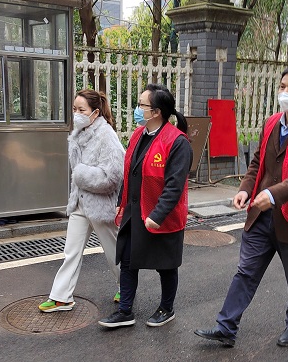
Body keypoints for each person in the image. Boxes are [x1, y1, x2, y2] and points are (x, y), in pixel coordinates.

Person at [194, 65, 288, 347]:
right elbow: (258, 162)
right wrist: (245, 189)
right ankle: (226, 327)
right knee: (246, 272)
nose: (285, 92)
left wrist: (272, 194)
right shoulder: (271, 123)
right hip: (260, 215)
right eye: (282, 86)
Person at [98, 84, 193, 328]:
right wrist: (121, 204)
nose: (137, 109)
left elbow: (175, 186)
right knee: (128, 261)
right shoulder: (138, 135)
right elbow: (129, 173)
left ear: (157, 112)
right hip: (135, 211)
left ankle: (167, 308)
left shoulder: (177, 142)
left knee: (166, 265)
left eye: (142, 105)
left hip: (161, 216)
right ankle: (125, 311)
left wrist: (157, 215)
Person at [39, 89, 125, 313]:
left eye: (81, 110)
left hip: (100, 206)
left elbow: (114, 175)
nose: (76, 114)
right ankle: (61, 297)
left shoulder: (106, 135)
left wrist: (82, 175)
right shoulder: (78, 133)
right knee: (71, 251)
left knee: (114, 252)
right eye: (74, 109)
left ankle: (126, 287)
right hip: (80, 203)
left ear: (95, 112)